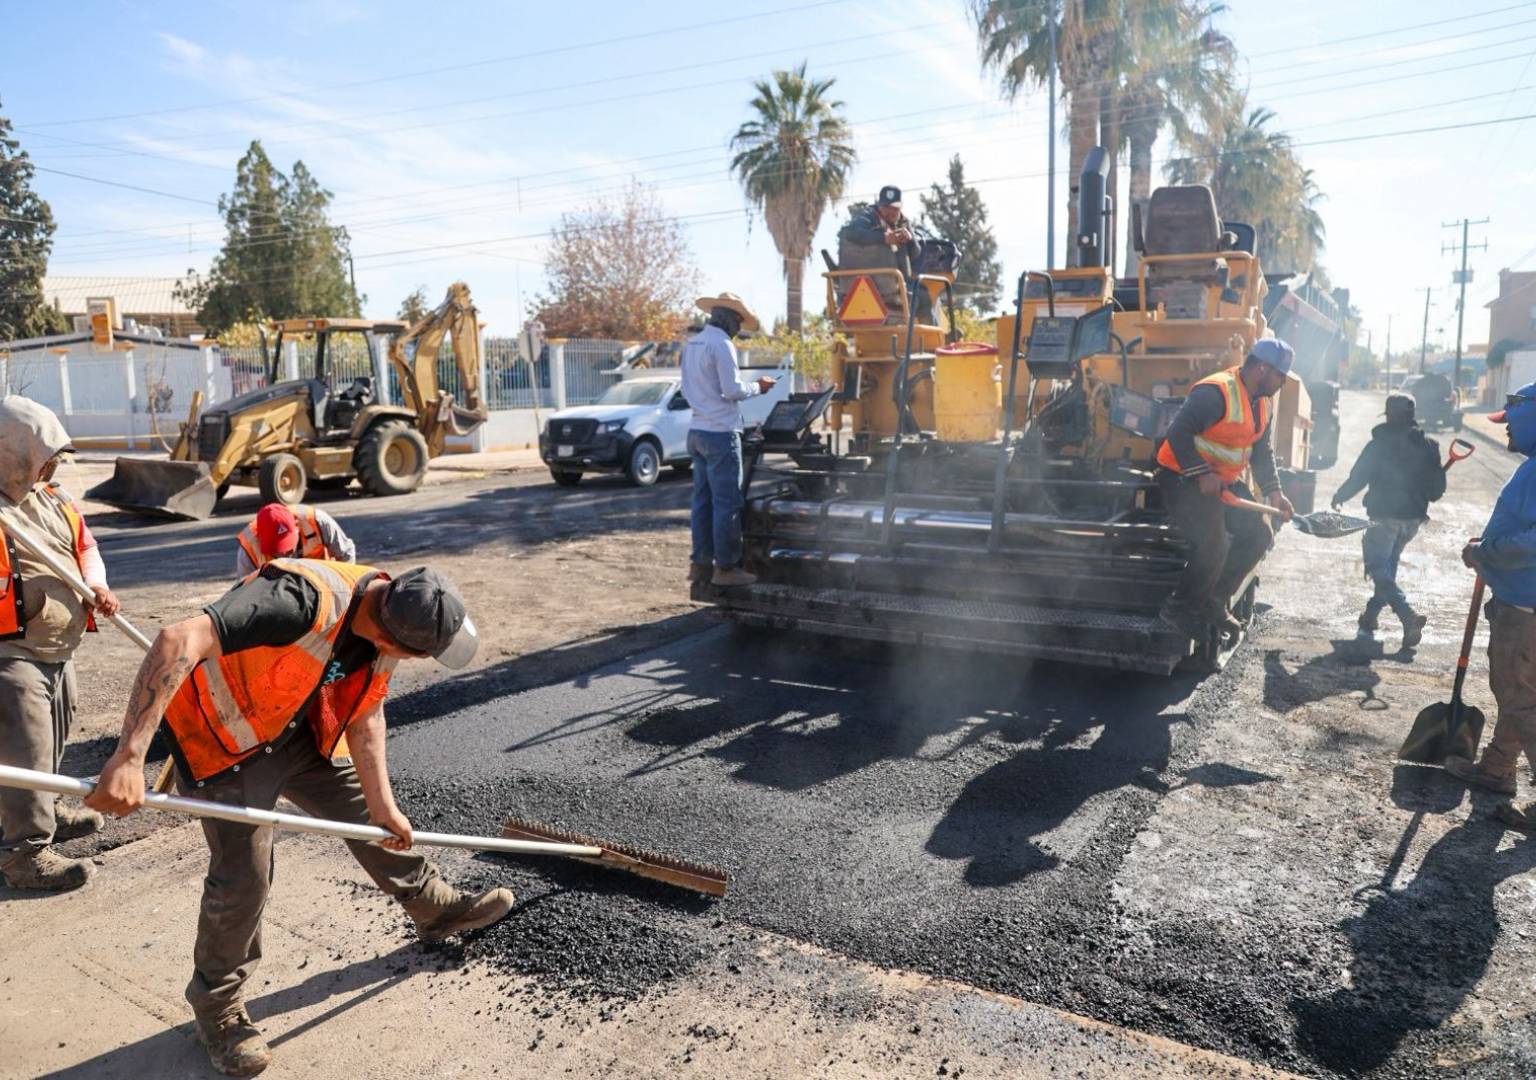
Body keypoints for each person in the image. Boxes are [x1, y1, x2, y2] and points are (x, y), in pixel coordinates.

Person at [86, 560, 513, 1076]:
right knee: (245, 874)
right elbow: (178, 639)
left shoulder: (393, 613)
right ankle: (218, 1007)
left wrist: (384, 805)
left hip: (291, 727)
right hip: (225, 740)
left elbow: (367, 713)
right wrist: (129, 757)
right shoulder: (297, 600)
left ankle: (433, 907)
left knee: (366, 817)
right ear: (392, 635)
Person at [0, 397, 119, 891]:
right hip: (12, 650)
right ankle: (23, 855)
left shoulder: (55, 499)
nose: (52, 465)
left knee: (50, 740)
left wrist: (98, 585)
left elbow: (85, 547)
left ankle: (43, 810)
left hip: (58, 646)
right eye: (44, 455)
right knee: (23, 751)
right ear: (16, 453)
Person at [1154, 339, 1297, 639]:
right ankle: (1177, 610)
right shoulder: (1215, 392)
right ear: (1262, 369)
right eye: (1280, 375)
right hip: (1181, 479)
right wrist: (1201, 473)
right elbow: (1177, 433)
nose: (1284, 382)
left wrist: (1275, 492)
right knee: (1213, 545)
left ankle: (1214, 601)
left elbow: (1261, 452)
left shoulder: (1263, 403)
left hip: (1222, 482)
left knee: (1260, 534)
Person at [1446, 383, 1536, 825]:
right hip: (1524, 600)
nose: (1505, 435)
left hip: (1526, 606)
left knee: (1518, 695)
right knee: (1522, 690)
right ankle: (1498, 768)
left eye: (1511, 425)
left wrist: (1486, 554)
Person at [1330, 392, 1445, 647]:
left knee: (1378, 568)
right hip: (1412, 522)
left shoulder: (1378, 444)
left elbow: (1359, 476)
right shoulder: (1428, 446)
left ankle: (1407, 615)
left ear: (1390, 415)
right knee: (1388, 568)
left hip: (1384, 518)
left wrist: (1340, 495)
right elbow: (1437, 491)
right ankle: (1370, 617)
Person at [682, 292, 775, 589]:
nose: (738, 328)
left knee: (702, 503)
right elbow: (732, 390)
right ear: (728, 318)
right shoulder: (721, 345)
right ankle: (726, 568)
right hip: (721, 433)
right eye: (738, 321)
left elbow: (686, 390)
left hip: (696, 431)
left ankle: (700, 566)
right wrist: (759, 387)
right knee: (727, 504)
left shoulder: (693, 344)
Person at [836, 185, 934, 323]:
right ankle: (923, 337)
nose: (890, 212)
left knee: (924, 293)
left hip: (898, 282)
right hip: (878, 284)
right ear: (879, 206)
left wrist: (910, 240)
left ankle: (929, 335)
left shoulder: (903, 223)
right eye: (886, 207)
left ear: (900, 208)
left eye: (894, 208)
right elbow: (853, 233)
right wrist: (883, 238)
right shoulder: (868, 219)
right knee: (921, 297)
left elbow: (915, 253)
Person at [235, 502, 356, 578]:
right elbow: (246, 594)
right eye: (276, 549)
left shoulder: (318, 521)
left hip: (320, 579)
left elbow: (346, 554)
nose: (283, 554)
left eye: (287, 546)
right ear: (259, 539)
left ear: (297, 527)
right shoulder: (248, 550)